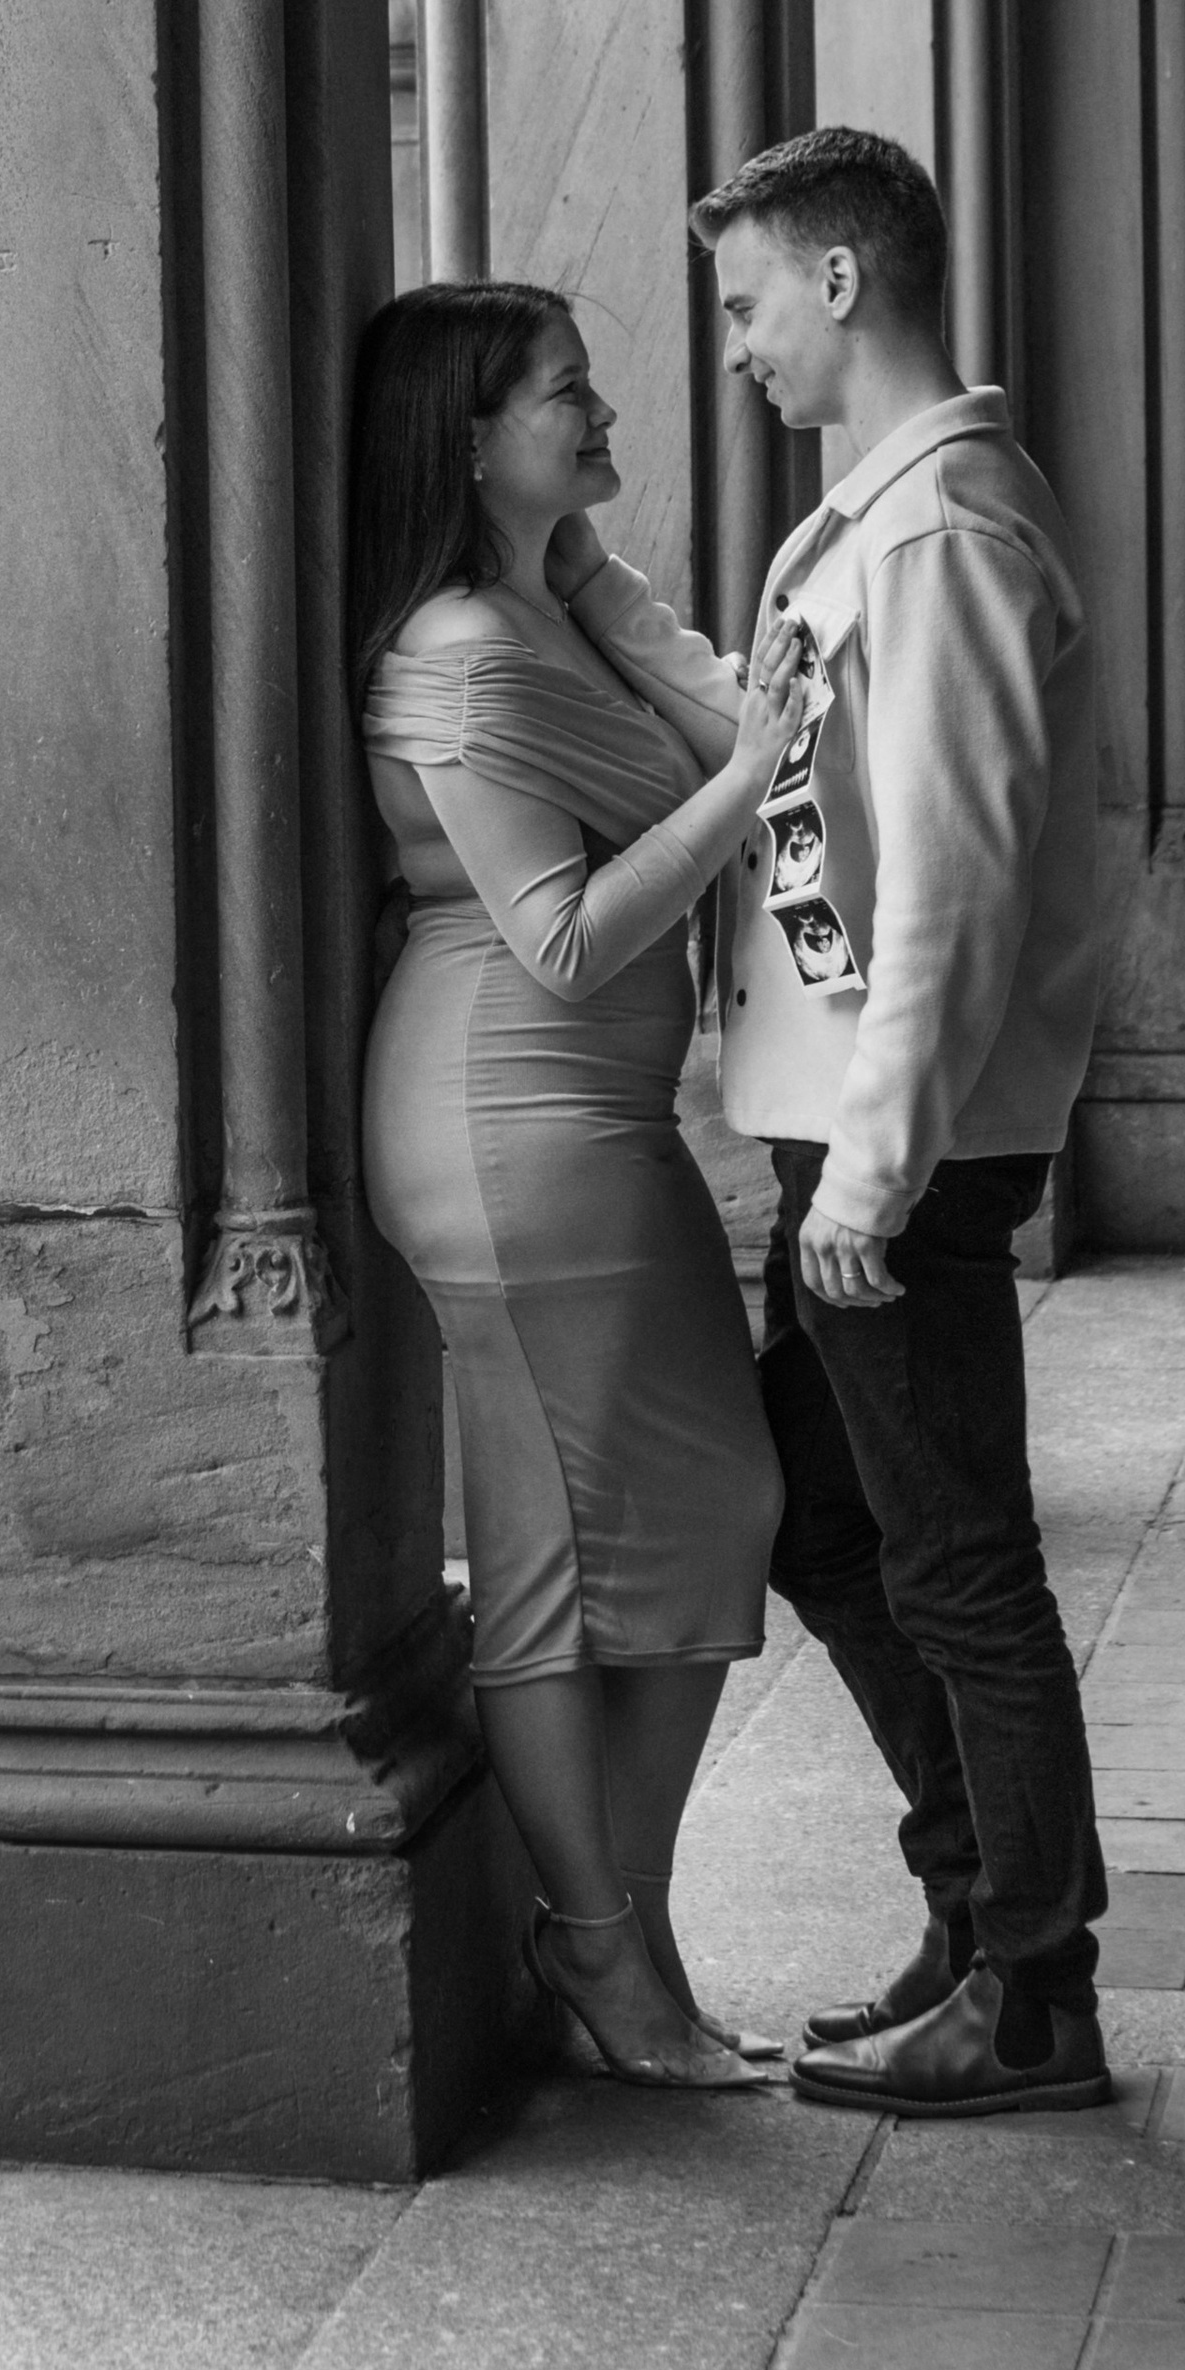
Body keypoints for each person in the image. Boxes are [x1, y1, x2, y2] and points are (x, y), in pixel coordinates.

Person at [560, 126, 1109, 2119]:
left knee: (956, 1557)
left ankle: (1029, 1991)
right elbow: (782, 744)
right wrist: (588, 582)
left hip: (903, 1147)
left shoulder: (943, 531)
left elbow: (952, 880)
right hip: (851, 1133)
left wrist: (869, 1177)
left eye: (745, 300)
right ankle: (980, 1918)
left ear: (842, 281)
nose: (731, 346)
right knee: (822, 1511)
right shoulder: (876, 522)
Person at [353, 282, 804, 2092]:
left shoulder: (547, 607)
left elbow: (720, 712)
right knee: (564, 1547)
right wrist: (748, 779)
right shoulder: (461, 649)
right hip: (506, 1116)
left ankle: (624, 1925)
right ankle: (604, 1943)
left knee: (704, 1503)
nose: (606, 410)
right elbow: (560, 933)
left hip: (591, 1124)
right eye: (568, 391)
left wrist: (590, 568)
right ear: (470, 436)